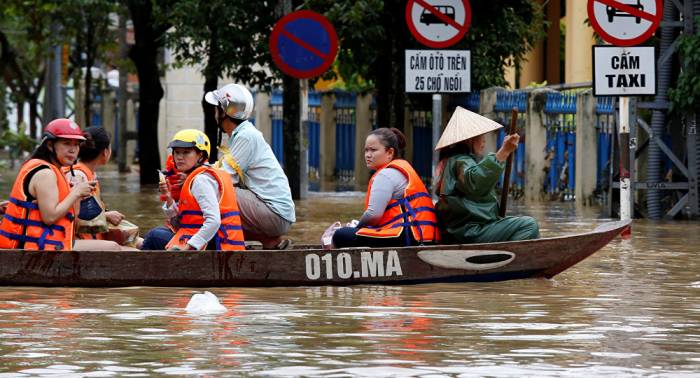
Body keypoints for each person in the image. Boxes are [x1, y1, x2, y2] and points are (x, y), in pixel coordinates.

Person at [0, 119, 125, 251]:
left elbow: (72, 219)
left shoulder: (55, 170)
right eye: (66, 144)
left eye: (76, 145)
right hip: (35, 246)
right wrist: (75, 192)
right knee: (113, 248)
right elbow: (50, 217)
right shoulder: (45, 173)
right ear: (50, 145)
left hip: (49, 241)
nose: (73, 150)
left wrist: (77, 198)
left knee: (118, 246)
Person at [204, 83, 295, 249]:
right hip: (275, 213)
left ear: (224, 112)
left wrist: (193, 179)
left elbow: (223, 178)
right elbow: (221, 169)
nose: (214, 113)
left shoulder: (246, 137)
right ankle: (269, 242)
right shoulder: (242, 135)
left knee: (214, 191)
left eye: (216, 108)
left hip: (275, 214)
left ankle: (210, 240)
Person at [434, 106, 539, 243]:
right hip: (469, 232)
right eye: (481, 136)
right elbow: (475, 182)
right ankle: (503, 259)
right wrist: (503, 152)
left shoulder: (450, 161)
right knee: (529, 225)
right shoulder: (460, 161)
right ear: (468, 139)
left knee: (515, 222)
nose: (484, 140)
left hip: (464, 230)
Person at [332, 128, 440, 248]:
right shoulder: (402, 169)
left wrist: (356, 227)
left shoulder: (386, 174)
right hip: (424, 236)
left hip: (407, 236)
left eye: (373, 150)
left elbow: (373, 215)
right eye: (366, 150)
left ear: (390, 153)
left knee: (340, 235)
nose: (368, 155)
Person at [141, 129, 245, 251]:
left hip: (216, 245)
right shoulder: (198, 176)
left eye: (186, 152)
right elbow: (181, 221)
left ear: (200, 155)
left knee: (154, 236)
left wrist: (189, 247)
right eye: (177, 152)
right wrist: (168, 196)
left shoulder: (201, 180)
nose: (179, 157)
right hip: (212, 240)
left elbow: (214, 221)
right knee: (156, 233)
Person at [62, 126, 127, 240]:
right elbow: (74, 218)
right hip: (76, 241)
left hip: (89, 238)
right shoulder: (77, 176)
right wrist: (106, 216)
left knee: (136, 241)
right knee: (119, 247)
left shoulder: (88, 174)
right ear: (105, 152)